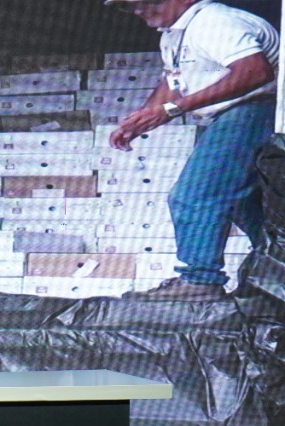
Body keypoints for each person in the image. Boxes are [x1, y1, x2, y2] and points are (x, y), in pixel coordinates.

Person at [107, 0, 279, 301]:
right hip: (224, 116)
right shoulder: (175, 34)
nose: (138, 11)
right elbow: (173, 83)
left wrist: (172, 110)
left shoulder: (213, 22)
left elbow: (254, 72)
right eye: (128, 7)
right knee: (242, 204)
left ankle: (200, 281)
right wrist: (142, 119)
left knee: (195, 195)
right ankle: (276, 272)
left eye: (144, 3)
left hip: (255, 109)